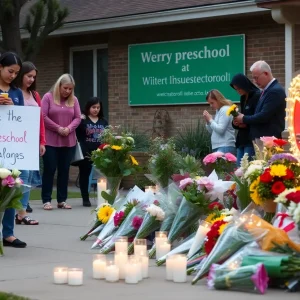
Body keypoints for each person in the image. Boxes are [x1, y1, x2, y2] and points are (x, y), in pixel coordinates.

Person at [41, 74, 81, 210]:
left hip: (68, 141)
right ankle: (46, 200)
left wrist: (68, 128)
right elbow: (43, 116)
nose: (68, 91)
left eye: (70, 89)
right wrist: (58, 128)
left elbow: (77, 118)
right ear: (59, 86)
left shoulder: (74, 100)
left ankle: (62, 200)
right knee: (50, 169)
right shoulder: (48, 97)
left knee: (64, 170)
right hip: (50, 141)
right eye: (65, 88)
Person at [0, 52, 27, 248]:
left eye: (16, 73)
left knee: (10, 187)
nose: (12, 76)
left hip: (11, 148)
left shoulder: (17, 93)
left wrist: (13, 107)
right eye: (10, 71)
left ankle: (8, 233)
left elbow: (23, 119)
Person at [14, 61, 46, 225]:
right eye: (28, 76)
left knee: (29, 176)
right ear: (21, 75)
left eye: (34, 77)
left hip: (32, 141)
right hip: (17, 140)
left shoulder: (35, 95)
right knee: (22, 176)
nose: (31, 79)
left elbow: (40, 119)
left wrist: (42, 141)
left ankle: (21, 212)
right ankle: (21, 212)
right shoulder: (14, 93)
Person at [234, 60, 286, 139]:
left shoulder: (274, 91)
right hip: (264, 140)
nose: (255, 81)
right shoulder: (267, 90)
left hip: (269, 141)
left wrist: (244, 118)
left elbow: (263, 116)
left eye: (256, 78)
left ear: (266, 73)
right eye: (253, 78)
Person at [75, 97, 108, 207]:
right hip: (86, 151)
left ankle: (104, 197)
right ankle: (85, 198)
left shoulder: (103, 121)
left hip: (100, 152)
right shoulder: (83, 119)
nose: (96, 109)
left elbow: (106, 137)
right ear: (88, 107)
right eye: (93, 107)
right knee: (85, 174)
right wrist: (79, 120)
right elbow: (78, 134)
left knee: (102, 175)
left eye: (98, 107)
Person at [230, 73, 260, 166]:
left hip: (251, 139)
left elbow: (257, 117)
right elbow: (242, 115)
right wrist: (236, 123)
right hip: (241, 139)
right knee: (239, 168)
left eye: (239, 88)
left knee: (247, 167)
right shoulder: (243, 98)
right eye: (236, 89)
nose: (238, 91)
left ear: (244, 85)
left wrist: (244, 122)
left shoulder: (256, 96)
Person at [203, 89, 236, 155]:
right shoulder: (219, 111)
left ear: (218, 100)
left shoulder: (225, 109)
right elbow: (212, 131)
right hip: (218, 146)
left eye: (212, 103)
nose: (211, 106)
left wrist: (210, 120)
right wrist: (208, 122)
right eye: (209, 103)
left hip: (225, 145)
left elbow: (221, 130)